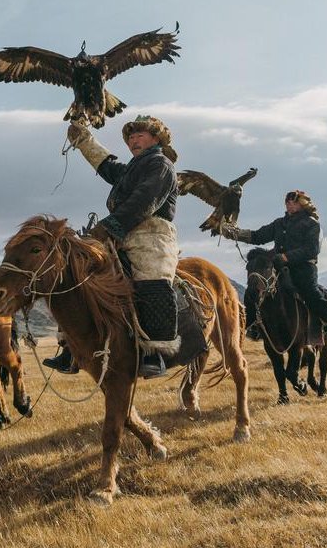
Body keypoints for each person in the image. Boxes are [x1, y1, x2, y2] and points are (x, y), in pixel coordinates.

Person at [45, 115, 207, 378]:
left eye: (140, 135)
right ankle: (72, 348)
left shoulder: (161, 165)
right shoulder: (132, 168)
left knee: (150, 279)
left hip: (151, 235)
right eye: (131, 137)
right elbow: (107, 164)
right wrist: (83, 138)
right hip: (117, 233)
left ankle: (156, 352)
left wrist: (109, 226)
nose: (133, 140)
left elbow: (144, 202)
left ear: (157, 139)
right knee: (81, 275)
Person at [225, 190, 327, 342]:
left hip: (303, 268)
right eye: (287, 202)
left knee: (310, 291)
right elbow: (258, 236)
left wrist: (287, 257)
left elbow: (312, 249)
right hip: (278, 267)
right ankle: (253, 325)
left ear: (302, 204)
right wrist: (235, 234)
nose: (290, 205)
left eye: (294, 202)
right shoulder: (279, 223)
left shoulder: (312, 224)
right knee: (254, 289)